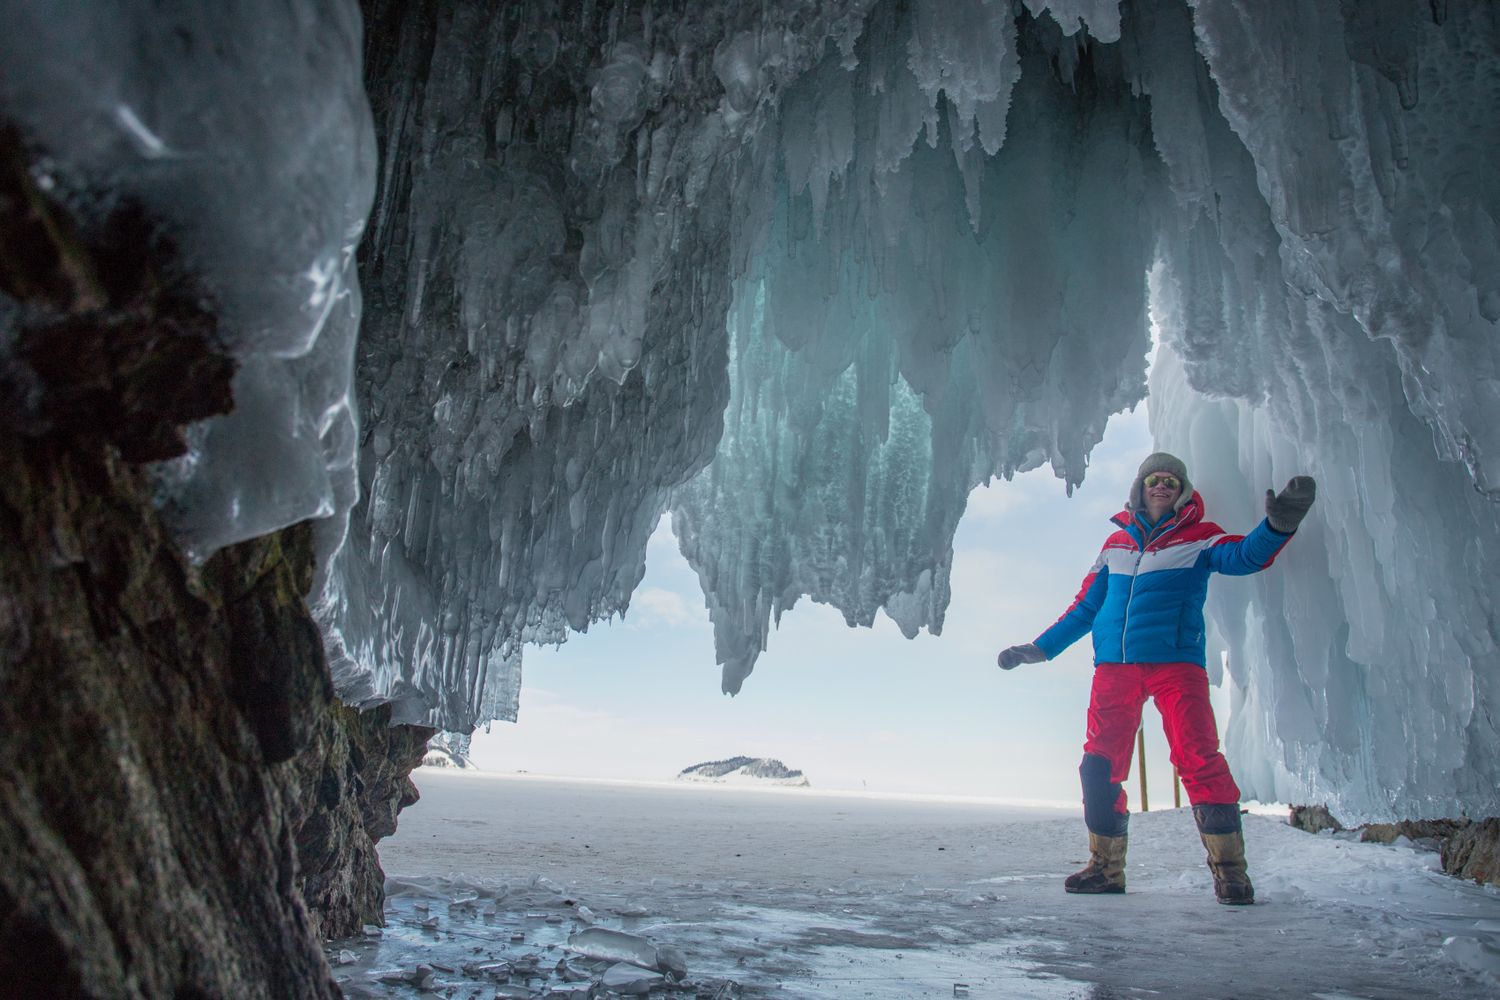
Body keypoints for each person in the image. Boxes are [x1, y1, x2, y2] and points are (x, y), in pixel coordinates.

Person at [996, 453, 1316, 905]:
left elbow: (1245, 557)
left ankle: (1231, 874)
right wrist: (1041, 648)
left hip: (1175, 664)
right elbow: (1086, 607)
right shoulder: (1115, 545)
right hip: (1114, 668)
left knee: (1198, 758)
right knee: (1098, 766)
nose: (1161, 486)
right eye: (1153, 479)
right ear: (1140, 488)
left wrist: (1278, 527)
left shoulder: (1200, 539)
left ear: (1182, 490)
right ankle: (1106, 870)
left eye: (1170, 480)